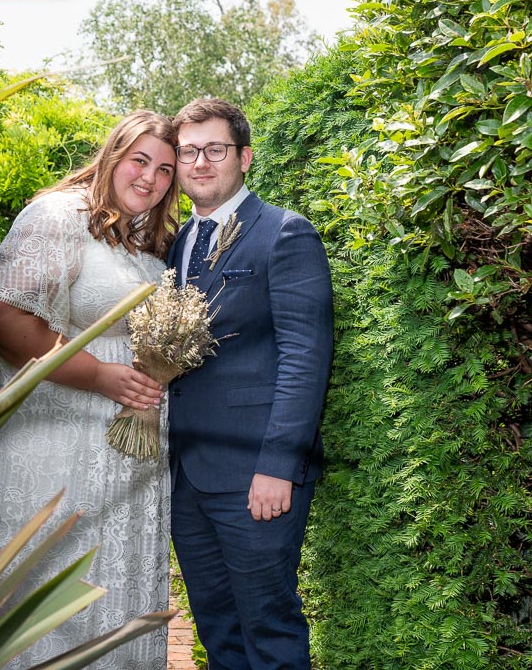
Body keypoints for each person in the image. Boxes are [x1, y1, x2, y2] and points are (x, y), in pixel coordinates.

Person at [0, 110, 181, 670]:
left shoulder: (150, 242)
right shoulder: (59, 215)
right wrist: (101, 375)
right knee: (50, 582)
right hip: (51, 442)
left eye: (165, 170)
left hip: (124, 450)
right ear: (111, 155)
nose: (150, 179)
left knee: (112, 586)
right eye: (139, 160)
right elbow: (1, 316)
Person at [166, 97, 334, 670]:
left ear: (245, 157)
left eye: (215, 149)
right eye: (189, 152)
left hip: (256, 476)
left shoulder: (285, 233)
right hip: (186, 475)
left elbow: (304, 357)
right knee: (217, 631)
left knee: (270, 631)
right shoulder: (175, 245)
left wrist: (278, 467)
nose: (201, 162)